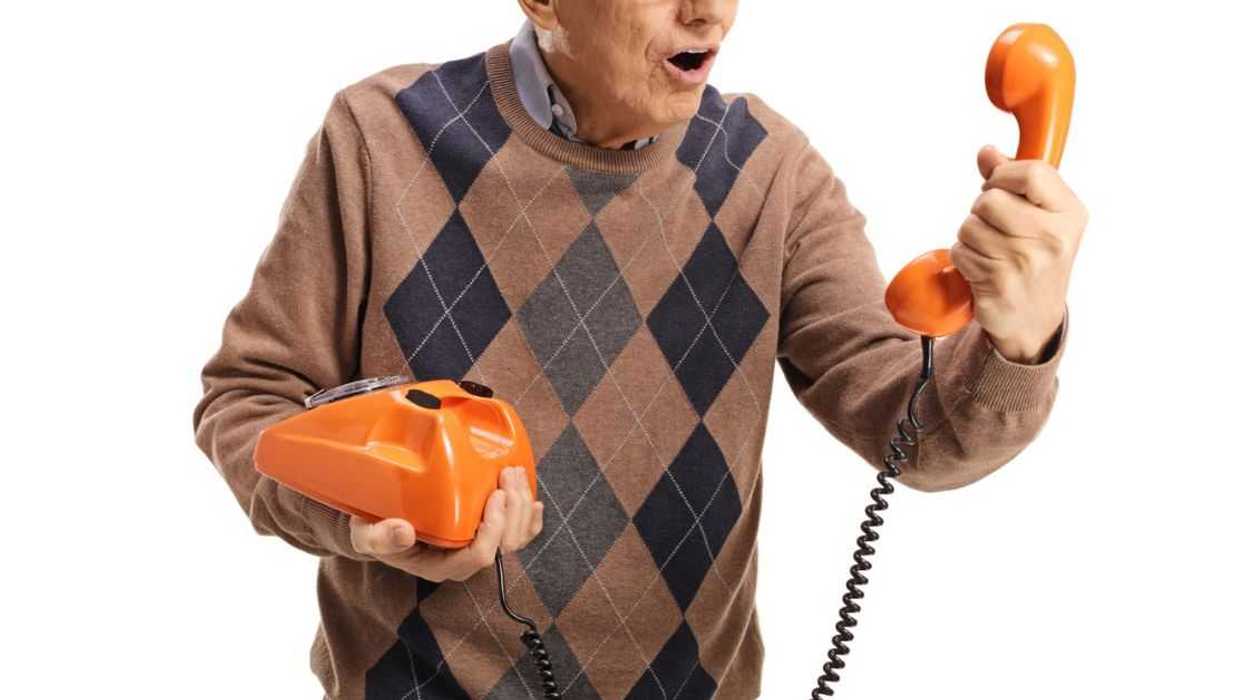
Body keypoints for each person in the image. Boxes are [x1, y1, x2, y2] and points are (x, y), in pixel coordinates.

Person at [192, 1, 1087, 697]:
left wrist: (1017, 335)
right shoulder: (379, 136)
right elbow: (248, 400)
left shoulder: (769, 174)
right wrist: (357, 517)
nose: (710, 12)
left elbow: (919, 440)